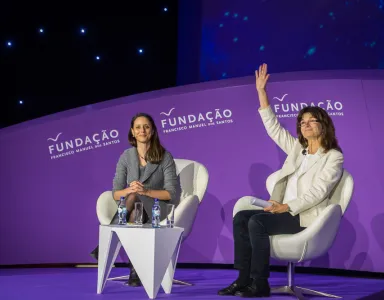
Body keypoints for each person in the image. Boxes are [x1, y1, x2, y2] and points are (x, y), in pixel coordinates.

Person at [218, 64, 344, 297]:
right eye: (302, 122)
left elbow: (319, 192)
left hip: (305, 216)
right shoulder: (299, 148)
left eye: (312, 121)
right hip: (283, 210)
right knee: (241, 218)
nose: (305, 125)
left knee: (257, 222)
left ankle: (260, 283)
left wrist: (286, 206)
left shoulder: (333, 157)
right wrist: (261, 92)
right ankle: (243, 279)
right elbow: (274, 129)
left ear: (323, 125)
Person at [90, 112, 181, 287]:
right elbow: (116, 193)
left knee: (136, 197)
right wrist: (129, 189)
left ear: (152, 130)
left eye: (146, 127)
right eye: (138, 127)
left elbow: (171, 194)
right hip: (133, 209)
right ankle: (135, 270)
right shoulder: (126, 156)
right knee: (133, 198)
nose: (142, 130)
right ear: (132, 132)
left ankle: (107, 247)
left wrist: (146, 191)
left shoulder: (165, 157)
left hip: (157, 209)